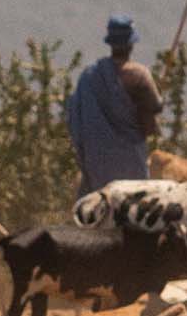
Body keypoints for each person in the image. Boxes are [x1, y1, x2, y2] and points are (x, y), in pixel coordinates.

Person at [65, 16, 162, 199]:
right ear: (131, 44)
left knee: (96, 209)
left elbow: (74, 117)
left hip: (96, 168)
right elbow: (155, 105)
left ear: (110, 43)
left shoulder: (89, 76)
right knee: (134, 206)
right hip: (131, 165)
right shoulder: (139, 75)